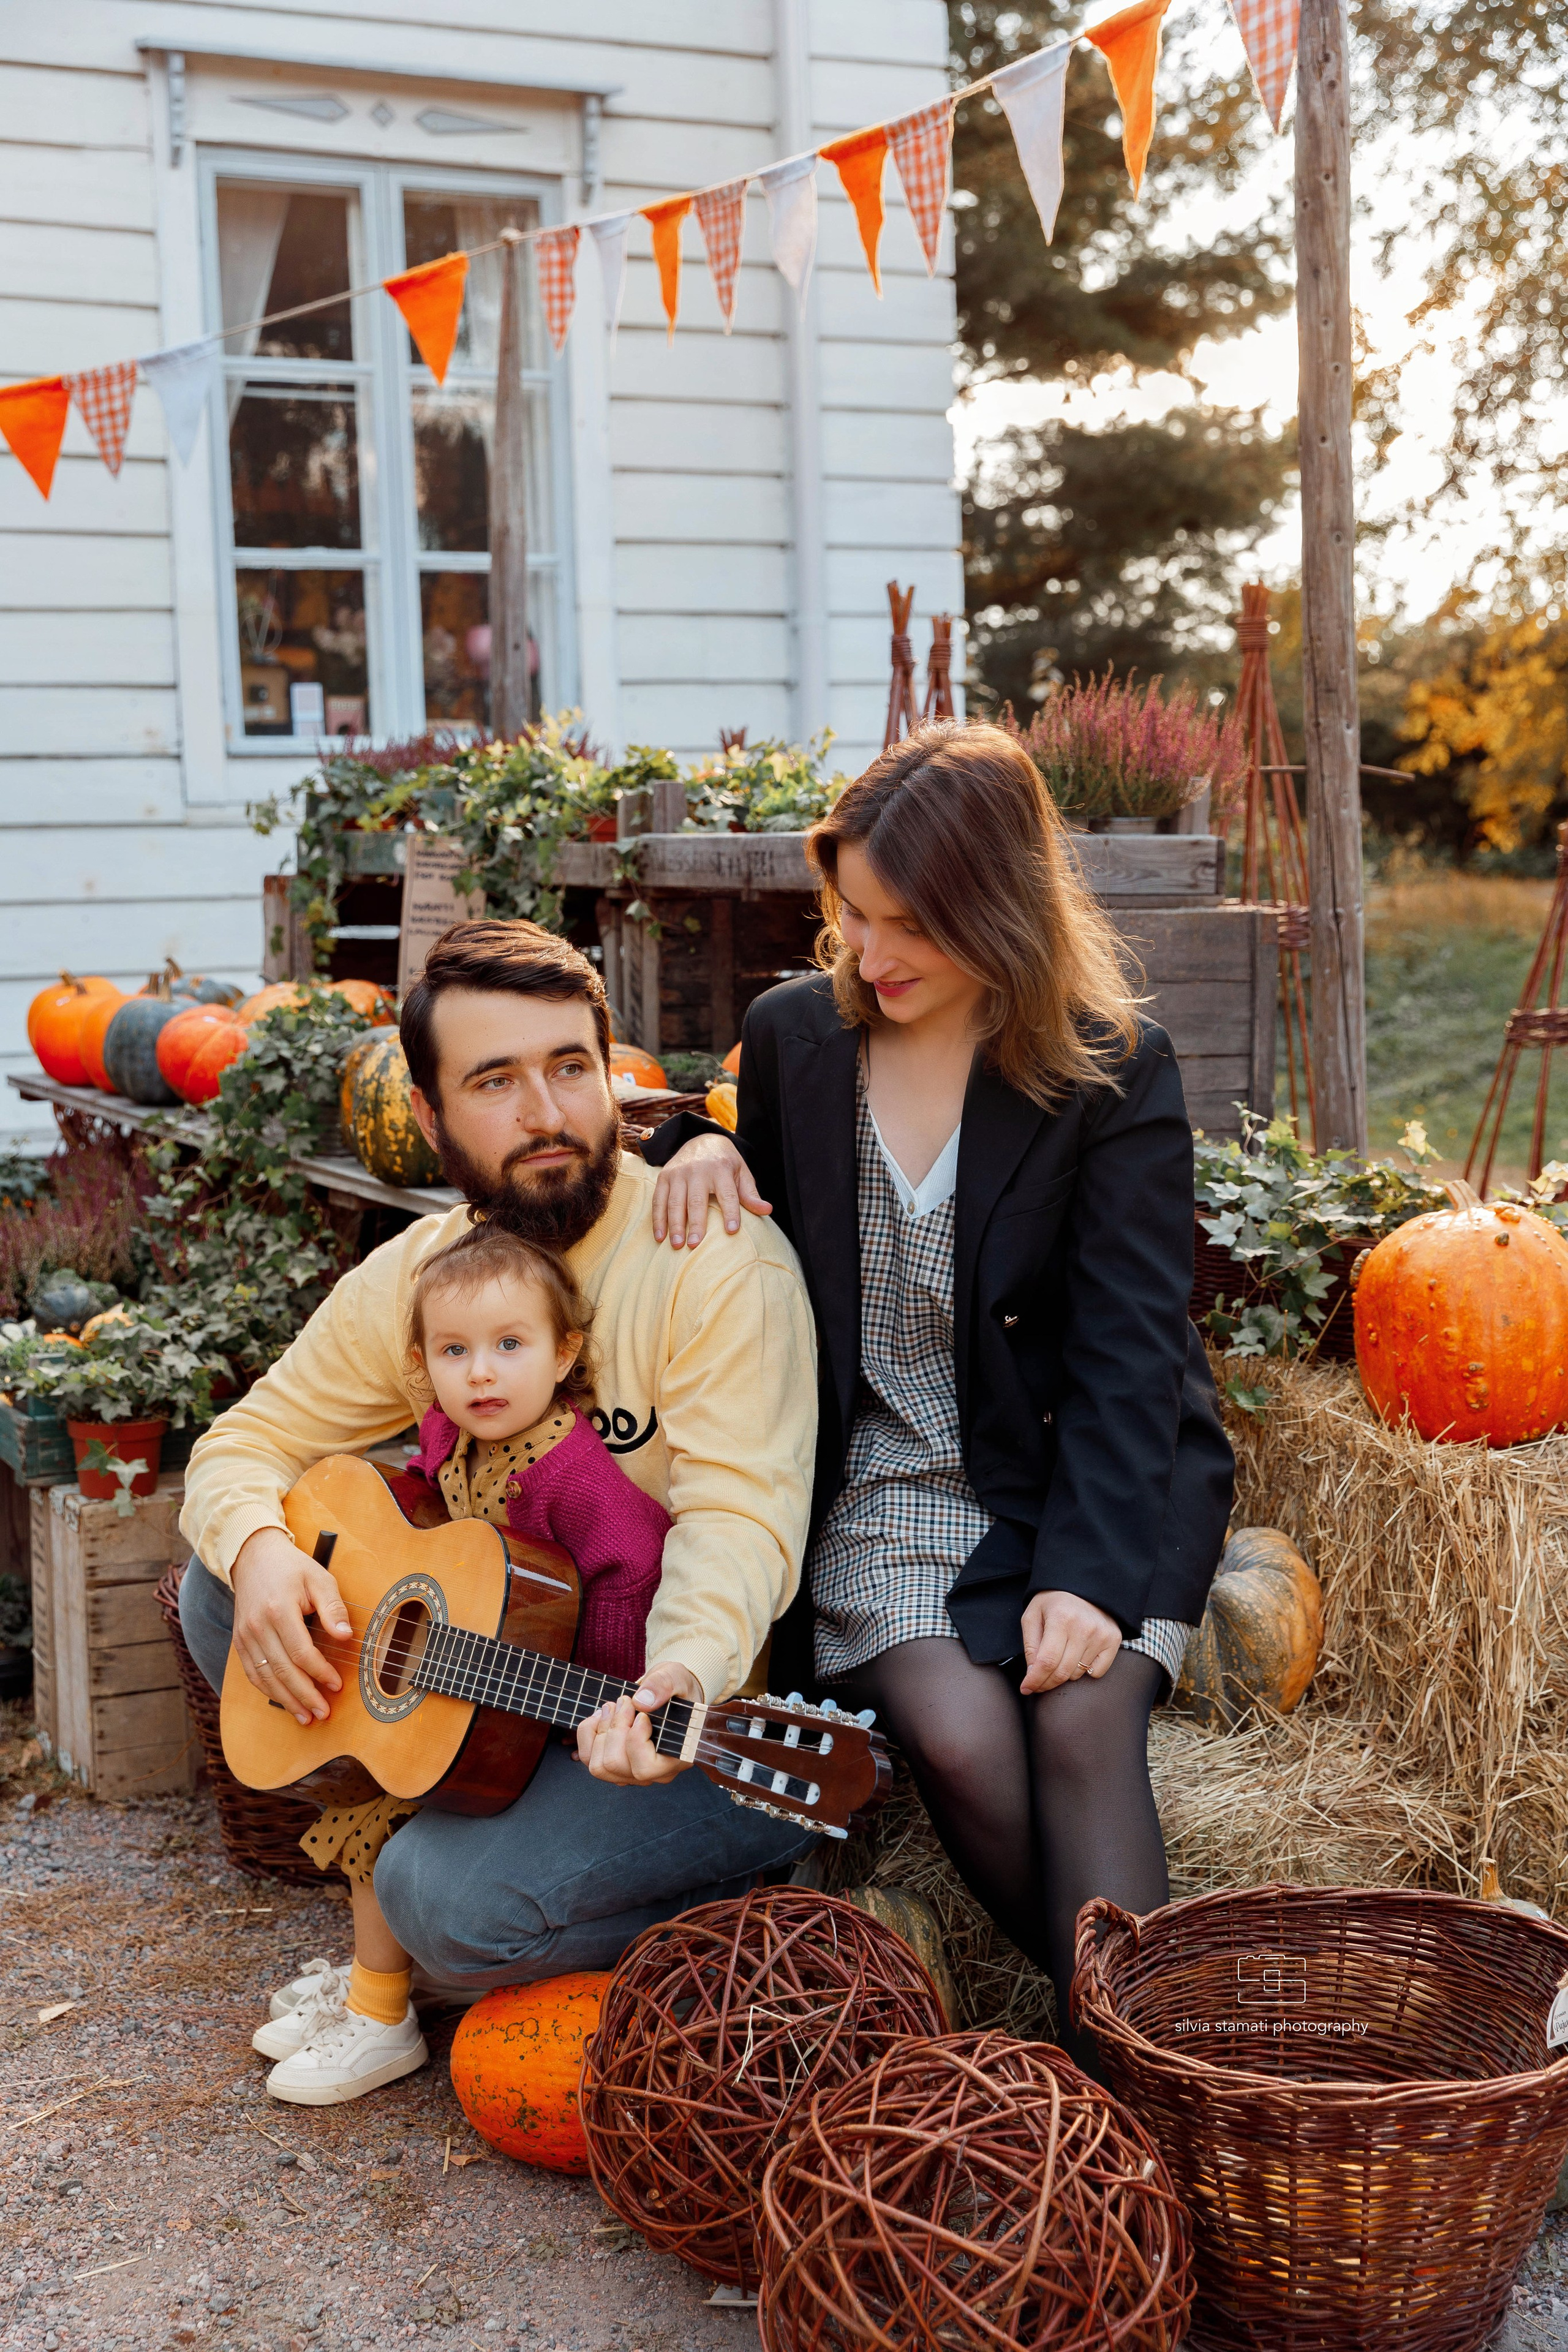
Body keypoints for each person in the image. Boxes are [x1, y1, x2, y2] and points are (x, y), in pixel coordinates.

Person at [645, 720, 1235, 2070]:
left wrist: (1087, 1578)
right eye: (849, 915)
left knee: (1082, 1722)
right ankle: (1180, 2075)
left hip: (1087, 1466)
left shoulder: (1106, 1068)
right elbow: (733, 1153)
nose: (870, 953)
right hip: (895, 1481)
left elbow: (1132, 1351)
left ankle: (1151, 2105)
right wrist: (685, 1140)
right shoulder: (795, 1041)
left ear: (998, 913)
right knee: (964, 1744)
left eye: (907, 924)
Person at [178, 921, 820, 2101]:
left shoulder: (710, 1257)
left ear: (609, 1068)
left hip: (683, 1721)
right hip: (492, 1694)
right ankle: (423, 1909)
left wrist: (680, 1679)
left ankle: (770, 1906)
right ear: (427, 1117)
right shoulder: (431, 1273)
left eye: (570, 1066)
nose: (547, 1112)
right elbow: (243, 1444)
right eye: (494, 1080)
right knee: (226, 1587)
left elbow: (744, 1520)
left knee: (446, 1906)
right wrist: (265, 1549)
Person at [254, 1221, 672, 2106]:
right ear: (423, 1363)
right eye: (455, 1351)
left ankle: (380, 2017)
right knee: (377, 1785)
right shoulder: (454, 1434)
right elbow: (430, 1504)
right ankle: (381, 1991)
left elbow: (633, 1569)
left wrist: (577, 1687)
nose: (482, 1372)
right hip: (468, 1681)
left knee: (398, 1807)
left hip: (564, 1712)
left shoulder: (576, 1475)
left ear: (564, 1354)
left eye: (509, 1346)